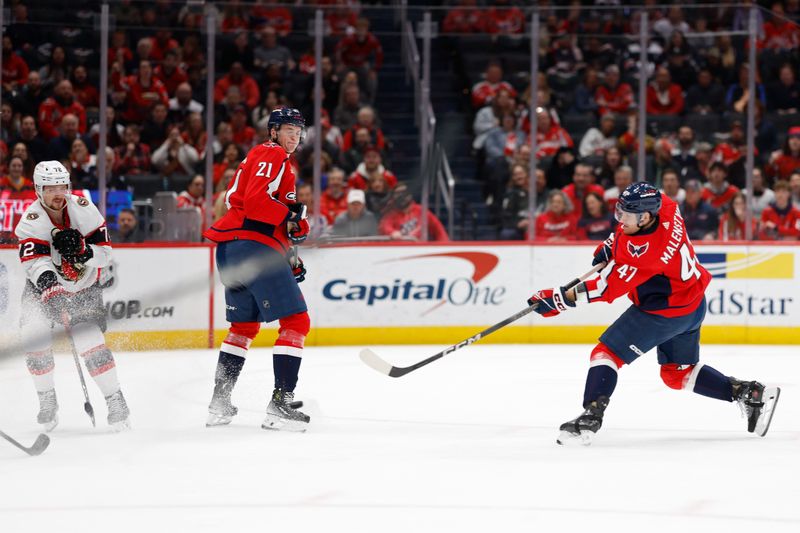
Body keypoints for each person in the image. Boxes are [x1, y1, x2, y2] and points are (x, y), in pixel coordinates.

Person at [528, 182, 780, 445]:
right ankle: (748, 393)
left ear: (645, 216)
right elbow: (651, 200)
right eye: (620, 211)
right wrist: (612, 241)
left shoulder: (644, 255)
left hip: (662, 314)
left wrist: (558, 299)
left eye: (626, 215)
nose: (620, 218)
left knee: (605, 354)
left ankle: (590, 416)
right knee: (676, 374)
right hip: (692, 306)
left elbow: (604, 288)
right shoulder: (668, 210)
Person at [203, 108, 312, 431]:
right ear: (274, 131)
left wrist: (290, 246)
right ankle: (281, 403)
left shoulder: (272, 159)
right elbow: (255, 202)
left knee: (243, 328)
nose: (294, 137)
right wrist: (293, 217)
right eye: (289, 130)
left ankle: (219, 403)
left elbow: (269, 213)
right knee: (297, 320)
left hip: (234, 249)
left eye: (298, 131)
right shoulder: (271, 153)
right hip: (253, 247)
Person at [14, 161, 131, 431]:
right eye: (50, 188)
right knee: (33, 337)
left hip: (84, 285)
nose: (58, 193)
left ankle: (115, 400)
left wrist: (84, 250)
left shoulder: (84, 209)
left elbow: (106, 253)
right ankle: (47, 399)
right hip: (43, 288)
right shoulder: (30, 222)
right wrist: (52, 291)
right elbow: (35, 264)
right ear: (37, 190)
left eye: (62, 186)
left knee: (90, 340)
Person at [378, 183, 449, 241]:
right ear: (393, 197)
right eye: (398, 194)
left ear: (410, 195)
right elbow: (385, 226)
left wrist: (444, 245)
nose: (401, 197)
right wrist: (392, 232)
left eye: (404, 193)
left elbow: (438, 229)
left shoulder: (422, 211)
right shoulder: (390, 213)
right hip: (398, 251)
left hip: (419, 250)